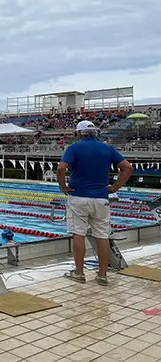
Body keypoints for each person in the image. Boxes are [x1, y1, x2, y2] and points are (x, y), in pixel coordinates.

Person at [57, 120, 133, 286]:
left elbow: (61, 168)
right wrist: (114, 188)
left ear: (78, 133)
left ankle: (79, 273)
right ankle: (102, 275)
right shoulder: (107, 148)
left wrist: (63, 186)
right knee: (102, 236)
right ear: (95, 133)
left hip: (78, 197)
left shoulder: (74, 148)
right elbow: (128, 168)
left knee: (79, 234)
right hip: (101, 198)